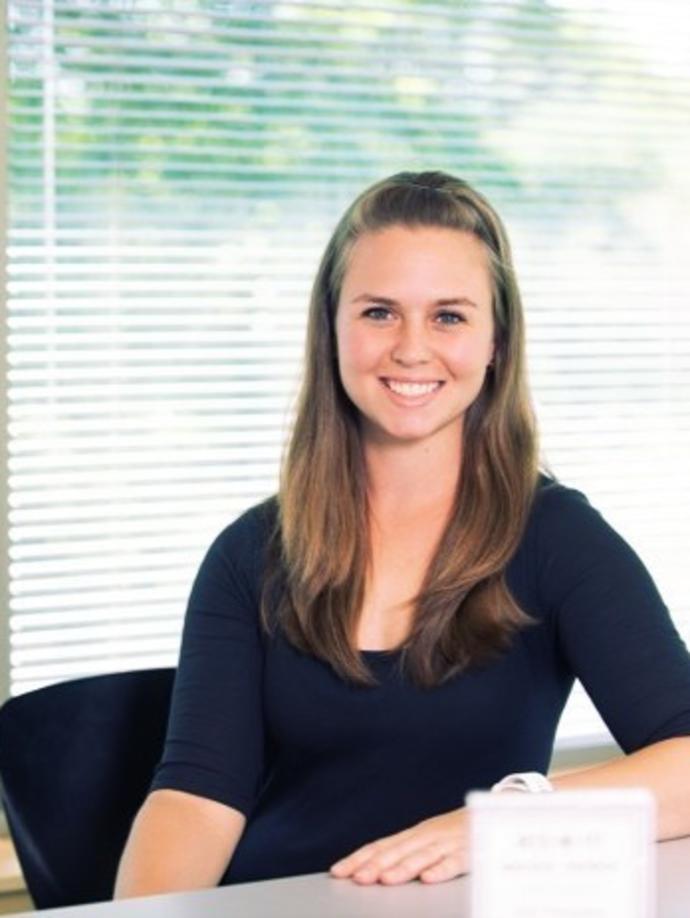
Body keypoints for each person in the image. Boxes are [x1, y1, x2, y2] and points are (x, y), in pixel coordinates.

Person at [114, 170, 690, 898]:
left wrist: (499, 823)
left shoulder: (557, 537)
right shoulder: (251, 552)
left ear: (495, 342)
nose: (412, 349)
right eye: (380, 312)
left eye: (449, 316)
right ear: (332, 329)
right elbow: (197, 798)